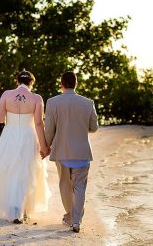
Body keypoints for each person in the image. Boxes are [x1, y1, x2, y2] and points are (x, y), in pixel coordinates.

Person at [0, 70, 51, 224]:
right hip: (28, 136)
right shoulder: (37, 98)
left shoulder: (7, 94)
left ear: (17, 81)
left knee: (7, 168)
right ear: (32, 83)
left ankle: (13, 209)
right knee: (25, 170)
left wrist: (12, 117)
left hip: (9, 136)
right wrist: (44, 146)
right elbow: (38, 123)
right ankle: (20, 210)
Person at [44, 71, 98, 233]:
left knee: (65, 186)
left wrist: (46, 146)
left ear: (61, 84)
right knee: (80, 187)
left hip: (61, 151)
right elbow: (94, 127)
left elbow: (49, 130)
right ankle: (76, 222)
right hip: (81, 152)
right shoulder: (88, 103)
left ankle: (69, 216)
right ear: (76, 84)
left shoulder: (52, 102)